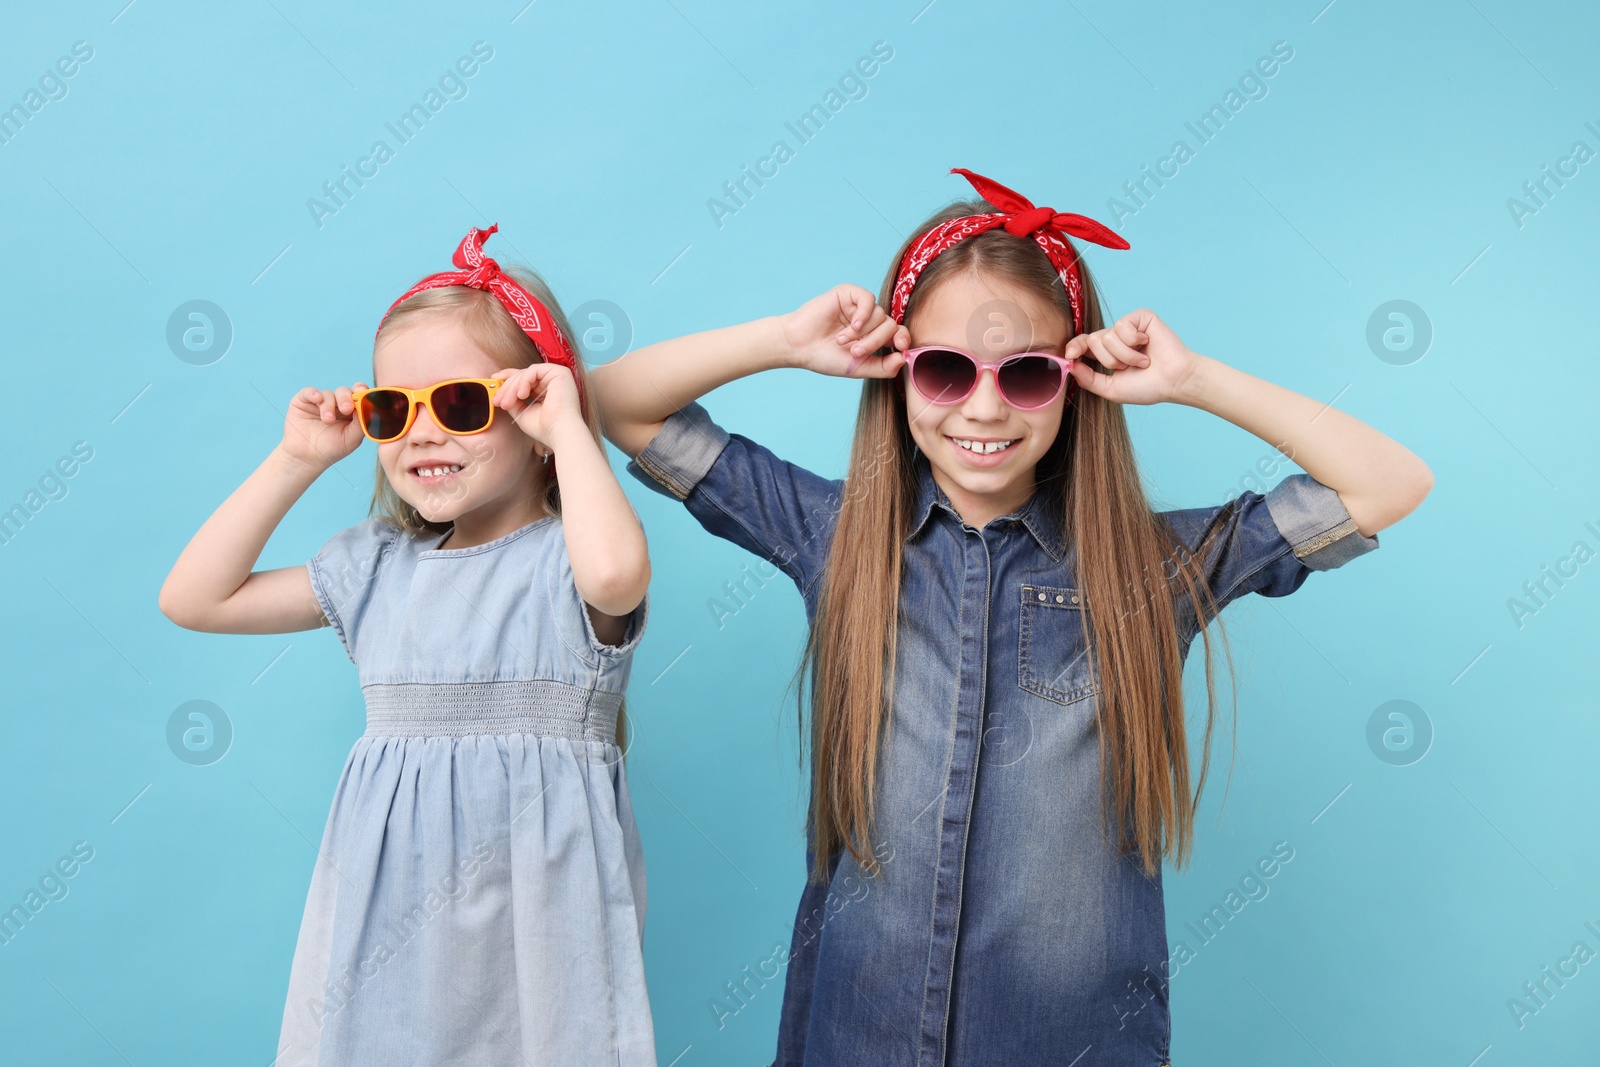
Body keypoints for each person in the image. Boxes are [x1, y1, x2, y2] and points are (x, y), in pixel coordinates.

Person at [591, 169, 1433, 1066]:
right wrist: (786, 341)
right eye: (946, 369)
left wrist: (1192, 379)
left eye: (1027, 374)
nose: (984, 407)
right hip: (856, 1038)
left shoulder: (1152, 569)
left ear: (1074, 383)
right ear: (900, 369)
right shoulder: (833, 534)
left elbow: (1388, 482)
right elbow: (613, 401)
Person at [158, 225, 656, 1066]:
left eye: (460, 404)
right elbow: (194, 598)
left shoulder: (567, 561)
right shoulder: (377, 568)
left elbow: (617, 577)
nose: (423, 433)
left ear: (533, 408)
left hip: (540, 921)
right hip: (384, 930)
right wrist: (295, 459)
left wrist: (573, 431)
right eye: (395, 409)